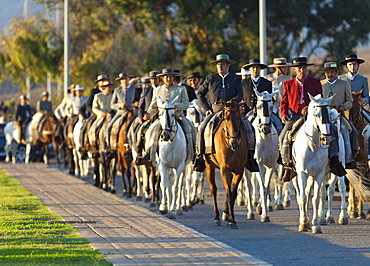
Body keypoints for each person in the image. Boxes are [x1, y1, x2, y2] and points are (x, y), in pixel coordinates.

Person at [279, 57, 346, 181]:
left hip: (314, 116)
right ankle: (287, 163)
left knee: (332, 131)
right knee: (283, 136)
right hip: (295, 115)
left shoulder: (315, 83)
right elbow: (284, 103)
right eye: (299, 68)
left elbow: (320, 99)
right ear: (295, 70)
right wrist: (284, 114)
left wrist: (308, 108)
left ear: (306, 68)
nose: (301, 70)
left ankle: (334, 160)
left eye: (304, 67)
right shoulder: (287, 84)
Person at [194, 54, 258, 172]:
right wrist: (207, 108)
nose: (220, 67)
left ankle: (250, 158)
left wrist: (233, 102)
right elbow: (200, 93)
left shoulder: (235, 79)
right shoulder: (210, 78)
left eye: (223, 64)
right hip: (216, 110)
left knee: (249, 127)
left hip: (233, 111)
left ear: (228, 66)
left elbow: (240, 94)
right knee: (202, 128)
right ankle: (199, 157)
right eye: (218, 64)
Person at [142, 68, 196, 163]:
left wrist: (177, 107)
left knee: (191, 127)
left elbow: (186, 103)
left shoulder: (181, 89)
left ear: (173, 78)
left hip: (178, 116)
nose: (168, 79)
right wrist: (149, 115)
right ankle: (148, 153)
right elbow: (154, 106)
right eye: (166, 77)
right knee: (148, 129)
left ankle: (195, 153)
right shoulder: (158, 90)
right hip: (163, 118)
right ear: (163, 78)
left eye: (170, 77)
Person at [320, 62, 356, 169]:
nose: (329, 74)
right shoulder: (320, 84)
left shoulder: (344, 84)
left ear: (336, 72)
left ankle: (349, 158)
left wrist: (345, 106)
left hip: (338, 115)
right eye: (327, 72)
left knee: (350, 130)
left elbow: (350, 101)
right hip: (324, 116)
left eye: (331, 72)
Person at [79, 74, 109, 157]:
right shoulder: (94, 91)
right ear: (98, 83)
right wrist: (95, 112)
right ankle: (84, 147)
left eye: (105, 80)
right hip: (96, 114)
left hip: (109, 114)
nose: (104, 83)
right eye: (102, 81)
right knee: (85, 127)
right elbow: (88, 104)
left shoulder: (110, 91)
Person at [107, 72, 137, 152]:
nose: (124, 81)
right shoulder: (117, 90)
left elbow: (139, 101)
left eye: (126, 79)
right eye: (122, 80)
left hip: (133, 113)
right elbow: (112, 105)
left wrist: (134, 105)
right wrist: (120, 105)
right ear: (120, 81)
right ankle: (111, 148)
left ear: (129, 79)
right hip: (120, 113)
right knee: (109, 127)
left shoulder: (135, 88)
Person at [89, 80, 115, 157]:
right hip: (101, 116)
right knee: (93, 129)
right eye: (109, 87)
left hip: (111, 116)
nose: (110, 89)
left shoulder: (113, 96)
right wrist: (101, 113)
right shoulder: (98, 96)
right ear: (104, 88)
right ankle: (94, 145)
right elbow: (94, 108)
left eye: (111, 87)